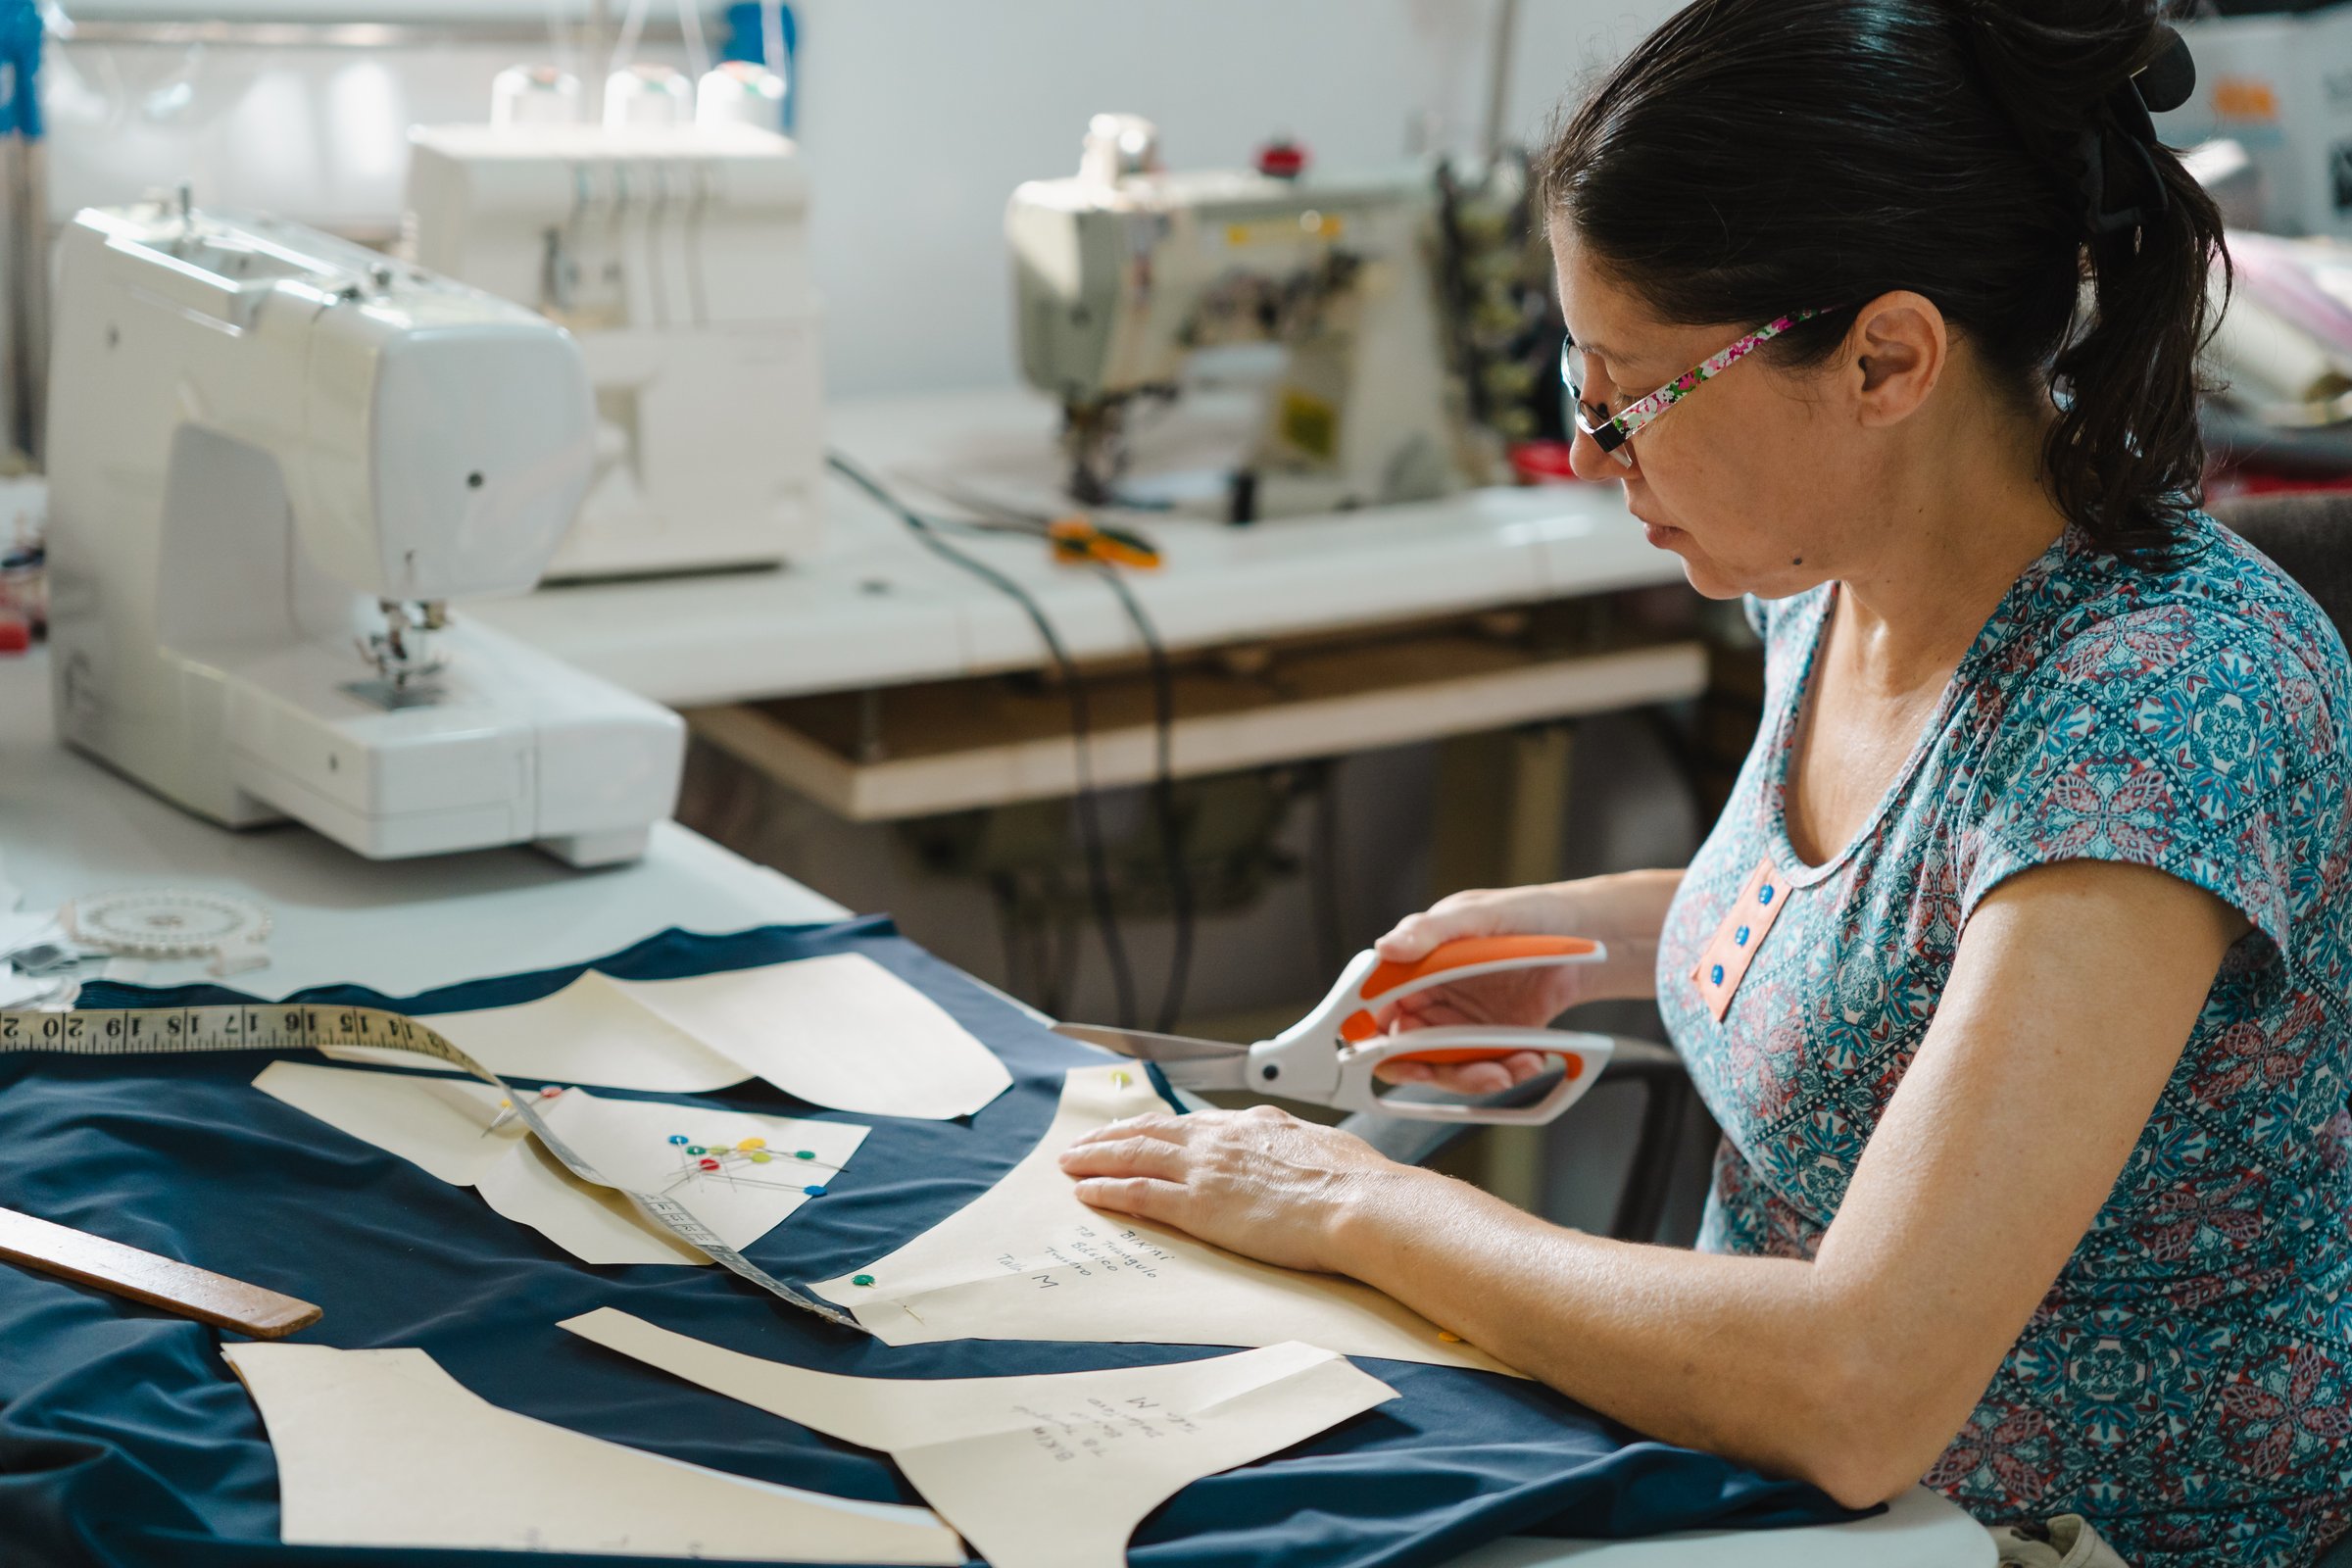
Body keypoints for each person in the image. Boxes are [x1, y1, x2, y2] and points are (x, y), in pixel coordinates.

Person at [1057, 2, 2352, 1563]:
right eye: (1574, 374)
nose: (1598, 450)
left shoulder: (2153, 710)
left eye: (1632, 394)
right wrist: (1584, 938)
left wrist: (1350, 1202)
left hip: (2047, 1533)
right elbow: (1920, 923)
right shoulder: (1833, 566)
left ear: (1886, 359)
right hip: (1767, 1501)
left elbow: (1859, 1386)